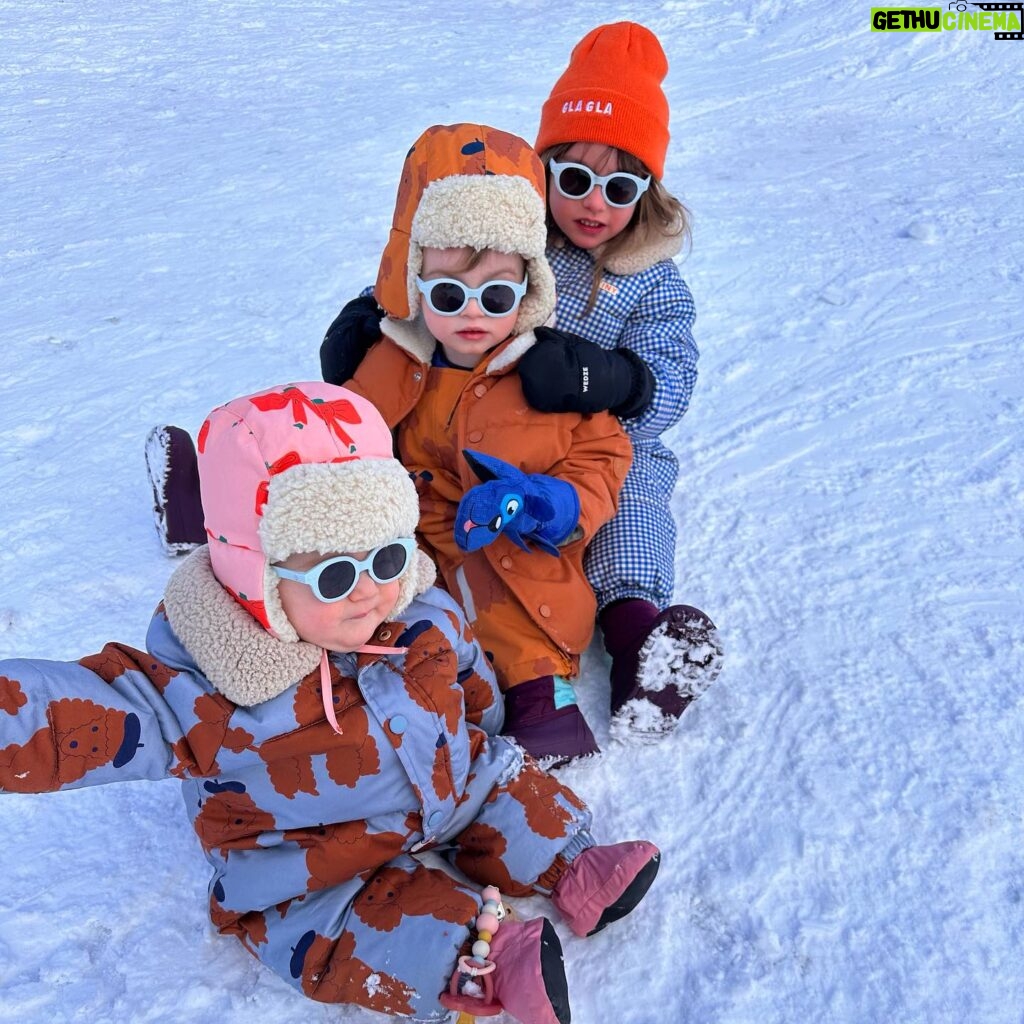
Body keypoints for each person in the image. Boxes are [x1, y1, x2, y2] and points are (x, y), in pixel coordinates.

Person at [0, 381, 660, 1024]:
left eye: (387, 555)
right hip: (309, 848)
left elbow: (468, 673)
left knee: (500, 781)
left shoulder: (416, 606)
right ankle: (479, 956)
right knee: (326, 925)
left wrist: (480, 729)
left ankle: (576, 866)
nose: (369, 590)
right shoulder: (207, 684)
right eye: (334, 573)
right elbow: (71, 714)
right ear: (254, 575)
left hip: (442, 774)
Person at [322, 22, 723, 745]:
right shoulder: (513, 227)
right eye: (574, 179)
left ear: (649, 193)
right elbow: (440, 266)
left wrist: (613, 378)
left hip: (597, 439)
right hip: (481, 419)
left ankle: (638, 641)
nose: (592, 203)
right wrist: (373, 311)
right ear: (543, 175)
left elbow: (672, 385)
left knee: (628, 504)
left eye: (619, 185)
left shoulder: (652, 283)